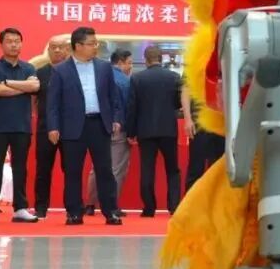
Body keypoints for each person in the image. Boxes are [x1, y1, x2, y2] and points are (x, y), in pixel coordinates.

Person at [47, 26, 125, 226]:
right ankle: (74, 212)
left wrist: (116, 118)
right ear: (78, 46)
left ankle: (111, 211)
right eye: (91, 44)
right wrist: (53, 127)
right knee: (73, 171)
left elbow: (113, 97)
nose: (95, 47)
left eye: (96, 43)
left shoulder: (104, 67)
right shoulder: (60, 70)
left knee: (105, 170)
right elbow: (53, 102)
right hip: (72, 127)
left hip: (99, 124)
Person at [0, 28, 40, 224]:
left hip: (21, 125)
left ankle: (20, 208)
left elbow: (35, 87)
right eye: (9, 41)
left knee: (20, 168)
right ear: (1, 44)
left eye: (17, 41)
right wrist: (23, 87)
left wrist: (8, 83)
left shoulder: (29, 67)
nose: (14, 44)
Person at [126, 46, 183, 216]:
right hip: (168, 129)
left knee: (147, 169)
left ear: (145, 59)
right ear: (161, 58)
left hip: (145, 130)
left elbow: (132, 107)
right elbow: (178, 103)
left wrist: (130, 132)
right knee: (172, 169)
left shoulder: (137, 78)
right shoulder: (174, 77)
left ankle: (149, 208)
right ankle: (174, 206)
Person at [85, 49, 133, 217]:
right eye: (129, 63)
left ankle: (90, 204)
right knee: (117, 169)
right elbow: (128, 107)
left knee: (96, 168)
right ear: (120, 62)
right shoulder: (125, 81)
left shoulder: (98, 77)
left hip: (100, 127)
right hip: (119, 129)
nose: (130, 66)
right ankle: (112, 205)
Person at [32, 36, 71, 218]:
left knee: (70, 169)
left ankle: (72, 207)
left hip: (70, 129)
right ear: (48, 51)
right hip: (45, 128)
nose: (56, 50)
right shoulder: (40, 73)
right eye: (53, 47)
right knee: (43, 169)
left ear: (68, 50)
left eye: (60, 47)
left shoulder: (74, 72)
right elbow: (34, 100)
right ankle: (41, 207)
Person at [182, 83, 224, 191]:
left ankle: (215, 200)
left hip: (220, 122)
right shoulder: (193, 71)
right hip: (199, 122)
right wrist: (188, 119)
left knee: (218, 168)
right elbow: (185, 90)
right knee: (196, 168)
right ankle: (192, 200)